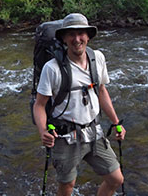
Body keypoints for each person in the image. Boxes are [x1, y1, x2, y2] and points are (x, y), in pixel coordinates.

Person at [33, 13, 126, 196]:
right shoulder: (52, 68)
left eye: (81, 33)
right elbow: (39, 105)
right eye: (71, 34)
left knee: (116, 179)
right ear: (64, 38)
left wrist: (116, 123)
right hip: (65, 136)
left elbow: (101, 91)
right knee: (67, 186)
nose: (77, 39)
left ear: (88, 36)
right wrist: (43, 131)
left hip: (94, 131)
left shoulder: (97, 58)